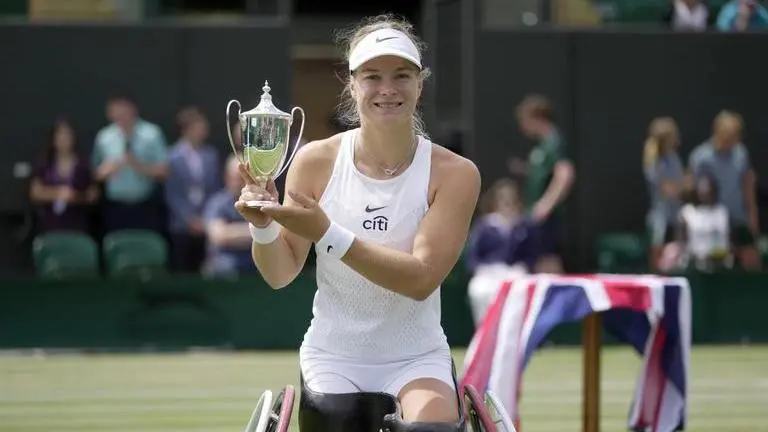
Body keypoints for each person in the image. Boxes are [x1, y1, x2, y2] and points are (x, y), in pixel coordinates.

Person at [235, 14, 481, 428]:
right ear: (352, 84)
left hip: (417, 357)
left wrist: (327, 234)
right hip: (334, 357)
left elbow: (421, 279)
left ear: (420, 85)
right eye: (372, 76)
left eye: (402, 75)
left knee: (431, 428)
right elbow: (280, 274)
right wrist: (263, 225)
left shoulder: (455, 172)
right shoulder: (314, 161)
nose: (387, 88)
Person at [508, 94, 575, 274]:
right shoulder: (543, 145)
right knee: (539, 259)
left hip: (547, 217)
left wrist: (546, 205)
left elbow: (565, 174)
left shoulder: (554, 141)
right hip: (537, 215)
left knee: (548, 260)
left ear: (536, 118)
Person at [465, 178, 536, 325]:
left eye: (511, 199)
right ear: (495, 201)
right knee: (479, 291)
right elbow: (473, 256)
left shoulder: (523, 225)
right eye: (503, 199)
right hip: (488, 272)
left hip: (513, 272)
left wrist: (522, 266)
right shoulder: (484, 226)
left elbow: (530, 255)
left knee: (519, 293)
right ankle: (485, 332)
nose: (507, 203)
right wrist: (482, 269)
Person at [30, 117, 99, 234]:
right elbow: (35, 193)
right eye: (60, 135)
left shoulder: (84, 165)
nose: (64, 139)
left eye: (67, 135)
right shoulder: (45, 163)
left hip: (77, 223)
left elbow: (93, 195)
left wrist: (76, 196)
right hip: (49, 223)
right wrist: (58, 193)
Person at [642, 117, 685, 271]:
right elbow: (664, 187)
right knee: (657, 246)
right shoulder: (652, 160)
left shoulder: (674, 158)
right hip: (660, 215)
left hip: (676, 214)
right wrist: (678, 187)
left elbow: (681, 185)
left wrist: (680, 187)